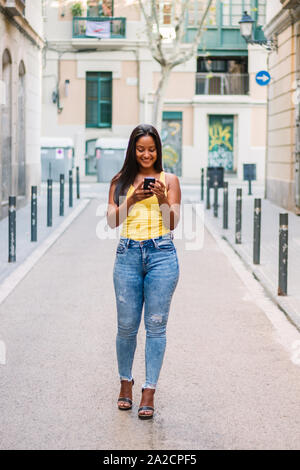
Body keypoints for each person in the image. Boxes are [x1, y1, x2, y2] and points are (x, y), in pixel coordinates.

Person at [106, 124, 181, 420]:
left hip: (162, 254)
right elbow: (112, 221)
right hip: (127, 255)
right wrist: (133, 199)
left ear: (158, 151)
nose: (146, 154)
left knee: (156, 326)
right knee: (126, 326)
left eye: (151, 149)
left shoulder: (170, 180)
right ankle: (126, 382)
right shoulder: (119, 181)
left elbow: (172, 222)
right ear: (132, 151)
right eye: (140, 149)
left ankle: (149, 390)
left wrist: (162, 198)